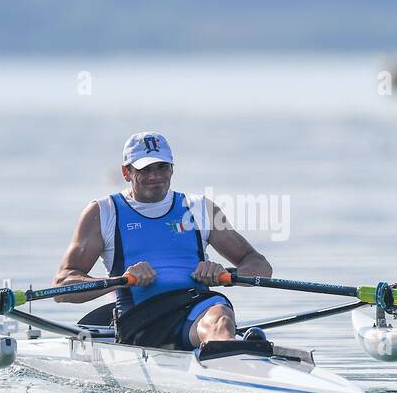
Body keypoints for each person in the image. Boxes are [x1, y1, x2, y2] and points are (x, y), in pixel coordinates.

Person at [53, 131, 272, 349]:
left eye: (162, 167)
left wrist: (226, 275)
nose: (155, 176)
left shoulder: (200, 208)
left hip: (195, 309)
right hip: (141, 320)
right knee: (218, 321)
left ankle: (228, 354)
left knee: (222, 318)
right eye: (145, 169)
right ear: (126, 172)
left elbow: (261, 267)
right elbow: (63, 284)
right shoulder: (103, 213)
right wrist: (122, 279)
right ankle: (228, 355)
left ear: (172, 168)